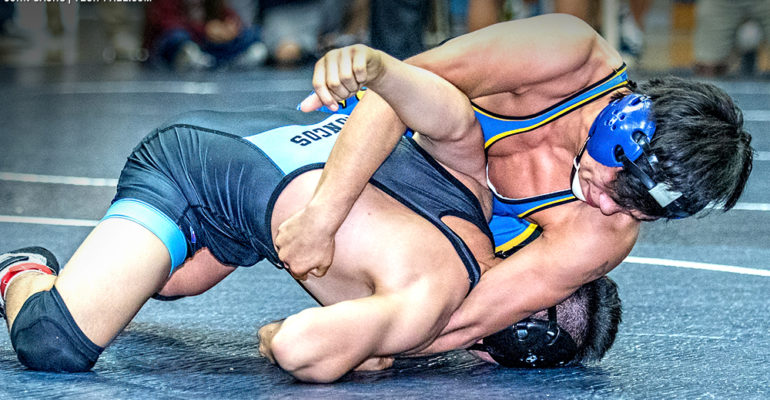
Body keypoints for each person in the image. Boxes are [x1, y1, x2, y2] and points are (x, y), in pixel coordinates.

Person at [0, 45, 622, 382]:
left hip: (246, 171)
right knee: (55, 343)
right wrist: (304, 336)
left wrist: (383, 68)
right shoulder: (427, 303)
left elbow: (448, 113)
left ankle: (146, 250)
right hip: (186, 170)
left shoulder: (475, 189)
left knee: (173, 283)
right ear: (487, 354)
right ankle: (22, 269)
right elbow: (297, 345)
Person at [277, 14, 754, 355]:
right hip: (360, 139)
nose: (610, 209)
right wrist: (323, 215)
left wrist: (356, 339)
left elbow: (463, 322)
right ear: (620, 128)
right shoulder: (566, 56)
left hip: (410, 223)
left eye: (638, 212)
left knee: (450, 287)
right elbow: (394, 88)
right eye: (619, 193)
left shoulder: (602, 234)